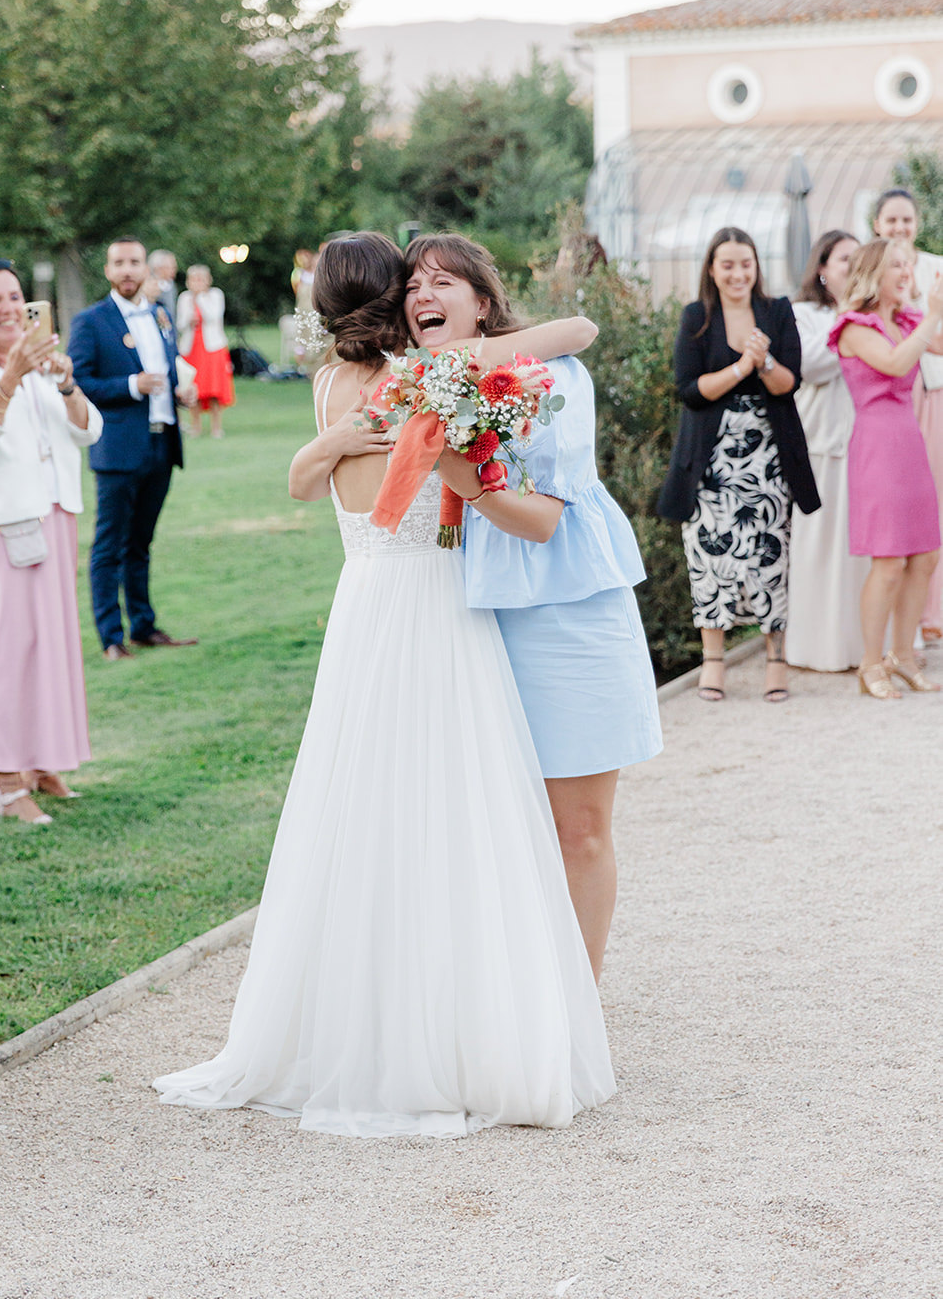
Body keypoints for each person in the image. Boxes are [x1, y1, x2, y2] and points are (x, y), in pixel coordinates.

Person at [154, 233, 615, 1136]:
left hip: (361, 612)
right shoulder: (428, 375)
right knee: (461, 813)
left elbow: (299, 485)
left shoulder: (330, 387)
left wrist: (326, 444)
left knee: (358, 809)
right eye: (413, 284)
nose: (422, 297)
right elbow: (576, 328)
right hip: (438, 606)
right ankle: (464, 1026)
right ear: (392, 298)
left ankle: (352, 1023)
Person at [401, 234, 662, 981]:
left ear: (481, 303)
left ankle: (579, 998)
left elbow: (541, 521)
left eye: (443, 281)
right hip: (473, 623)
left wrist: (458, 468)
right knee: (496, 828)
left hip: (568, 615)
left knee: (577, 830)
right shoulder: (415, 386)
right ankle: (513, 996)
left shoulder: (551, 377)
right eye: (413, 284)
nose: (424, 294)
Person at [0, 260, 103, 824]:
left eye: (15, 296)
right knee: (13, 652)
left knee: (52, 648)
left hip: (55, 517)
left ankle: (41, 763)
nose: (8, 308)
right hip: (4, 526)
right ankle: (6, 784)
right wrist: (11, 378)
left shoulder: (42, 367)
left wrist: (64, 380)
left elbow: (87, 430)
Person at [657, 227, 820, 703]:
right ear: (712, 268)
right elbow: (688, 390)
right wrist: (740, 368)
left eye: (745, 263)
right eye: (727, 264)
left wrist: (763, 361)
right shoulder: (696, 317)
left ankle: (775, 658)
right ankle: (714, 662)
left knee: (771, 553)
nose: (737, 273)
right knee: (709, 558)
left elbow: (789, 383)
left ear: (756, 266)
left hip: (768, 459)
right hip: (710, 463)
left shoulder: (777, 311)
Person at [68, 237, 198, 661]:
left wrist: (182, 391)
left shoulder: (160, 314)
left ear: (146, 269)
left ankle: (143, 625)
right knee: (109, 547)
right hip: (117, 450)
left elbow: (170, 364)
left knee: (141, 542)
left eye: (134, 262)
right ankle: (111, 636)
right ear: (107, 270)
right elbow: (78, 383)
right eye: (119, 262)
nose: (127, 270)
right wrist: (130, 386)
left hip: (162, 443)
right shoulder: (91, 321)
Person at [828, 238, 943, 698]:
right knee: (890, 560)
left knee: (925, 556)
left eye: (908, 264)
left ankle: (904, 657)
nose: (905, 271)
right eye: (896, 264)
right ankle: (869, 663)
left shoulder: (909, 321)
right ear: (874, 273)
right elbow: (896, 364)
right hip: (877, 444)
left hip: (909, 443)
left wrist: (932, 313)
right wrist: (932, 314)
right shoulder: (853, 326)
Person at [787, 231, 867, 672]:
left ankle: (863, 646)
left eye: (859, 261)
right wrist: (849, 314)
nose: (853, 268)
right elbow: (811, 365)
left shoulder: (871, 317)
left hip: (866, 445)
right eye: (844, 260)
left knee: (861, 552)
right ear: (822, 267)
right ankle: (817, 649)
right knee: (820, 552)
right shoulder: (803, 315)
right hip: (821, 446)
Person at [870, 188, 943, 641]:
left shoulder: (936, 267)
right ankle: (906, 624)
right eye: (891, 220)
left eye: (907, 220)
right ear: (877, 224)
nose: (899, 227)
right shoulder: (874, 273)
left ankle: (932, 613)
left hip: (934, 388)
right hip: (896, 398)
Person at [175, 265, 234, 438]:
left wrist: (199, 297)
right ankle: (196, 426)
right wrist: (188, 318)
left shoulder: (215, 295)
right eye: (194, 279)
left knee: (214, 388)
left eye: (201, 279)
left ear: (208, 280)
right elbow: (180, 324)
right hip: (191, 347)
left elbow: (213, 315)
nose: (197, 283)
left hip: (212, 347)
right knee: (193, 387)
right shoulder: (184, 298)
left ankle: (217, 427)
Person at [147, 249, 178, 327]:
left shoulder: (171, 285)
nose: (174, 270)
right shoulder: (147, 286)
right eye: (172, 267)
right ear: (159, 268)